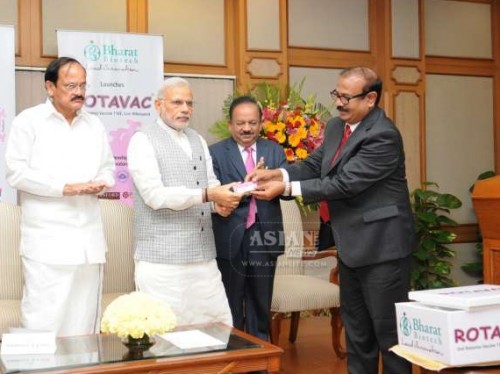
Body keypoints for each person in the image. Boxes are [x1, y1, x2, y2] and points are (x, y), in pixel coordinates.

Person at [247, 66, 415, 374]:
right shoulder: (339, 126)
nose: (338, 103)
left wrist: (283, 188)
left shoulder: (383, 135)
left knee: (390, 337)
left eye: (346, 97)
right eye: (337, 94)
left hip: (383, 250)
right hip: (351, 246)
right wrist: (278, 172)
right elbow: (316, 164)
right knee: (358, 333)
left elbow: (344, 184)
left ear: (371, 98)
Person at [5, 57, 115, 337]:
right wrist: (65, 187)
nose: (79, 91)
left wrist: (101, 182)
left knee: (83, 323)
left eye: (83, 85)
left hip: (88, 243)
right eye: (70, 85)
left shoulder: (94, 125)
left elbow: (108, 168)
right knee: (44, 321)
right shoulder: (28, 121)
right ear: (50, 87)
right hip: (48, 243)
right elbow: (16, 174)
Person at [127, 77, 243, 326]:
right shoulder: (142, 140)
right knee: (165, 334)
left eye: (190, 103)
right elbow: (155, 196)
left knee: (217, 328)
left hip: (202, 258)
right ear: (158, 105)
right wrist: (208, 196)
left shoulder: (197, 139)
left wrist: (219, 204)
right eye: (177, 102)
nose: (185, 109)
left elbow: (210, 182)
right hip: (162, 261)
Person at [209, 96, 287, 341]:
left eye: (252, 122)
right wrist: (243, 188)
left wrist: (275, 182)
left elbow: (287, 192)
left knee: (260, 304)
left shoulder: (274, 150)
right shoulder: (215, 153)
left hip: (264, 237)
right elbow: (213, 195)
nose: (246, 128)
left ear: (261, 123)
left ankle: (260, 362)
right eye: (240, 123)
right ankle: (234, 359)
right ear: (230, 124)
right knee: (230, 304)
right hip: (230, 235)